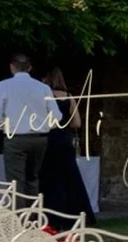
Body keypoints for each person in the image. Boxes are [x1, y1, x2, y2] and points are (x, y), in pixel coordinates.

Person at [0, 55, 59, 211]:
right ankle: (32, 216)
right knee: (33, 178)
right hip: (39, 138)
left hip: (15, 138)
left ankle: (19, 217)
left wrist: (5, 127)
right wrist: (44, 126)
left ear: (12, 67)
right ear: (30, 67)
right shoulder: (43, 88)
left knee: (15, 181)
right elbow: (57, 116)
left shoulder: (3, 86)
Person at [39, 67, 97, 229]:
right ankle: (76, 215)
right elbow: (77, 123)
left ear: (46, 79)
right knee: (70, 178)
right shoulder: (69, 97)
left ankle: (50, 217)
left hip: (48, 139)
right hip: (64, 140)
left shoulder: (43, 96)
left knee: (49, 179)